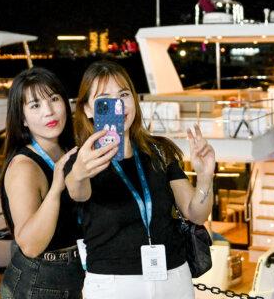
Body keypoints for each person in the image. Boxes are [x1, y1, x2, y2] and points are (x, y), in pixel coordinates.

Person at [66, 60, 216, 299]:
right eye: (105, 99)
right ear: (87, 109)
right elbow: (78, 192)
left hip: (173, 277)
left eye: (124, 95)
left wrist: (205, 176)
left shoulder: (159, 151)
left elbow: (196, 214)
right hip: (114, 284)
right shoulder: (80, 160)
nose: (118, 105)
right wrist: (78, 173)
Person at [0, 67, 85, 299]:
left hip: (74, 272)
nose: (49, 112)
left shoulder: (69, 149)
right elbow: (30, 245)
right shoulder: (24, 167)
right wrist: (56, 189)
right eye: (35, 105)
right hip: (39, 279)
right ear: (22, 119)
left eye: (54, 99)